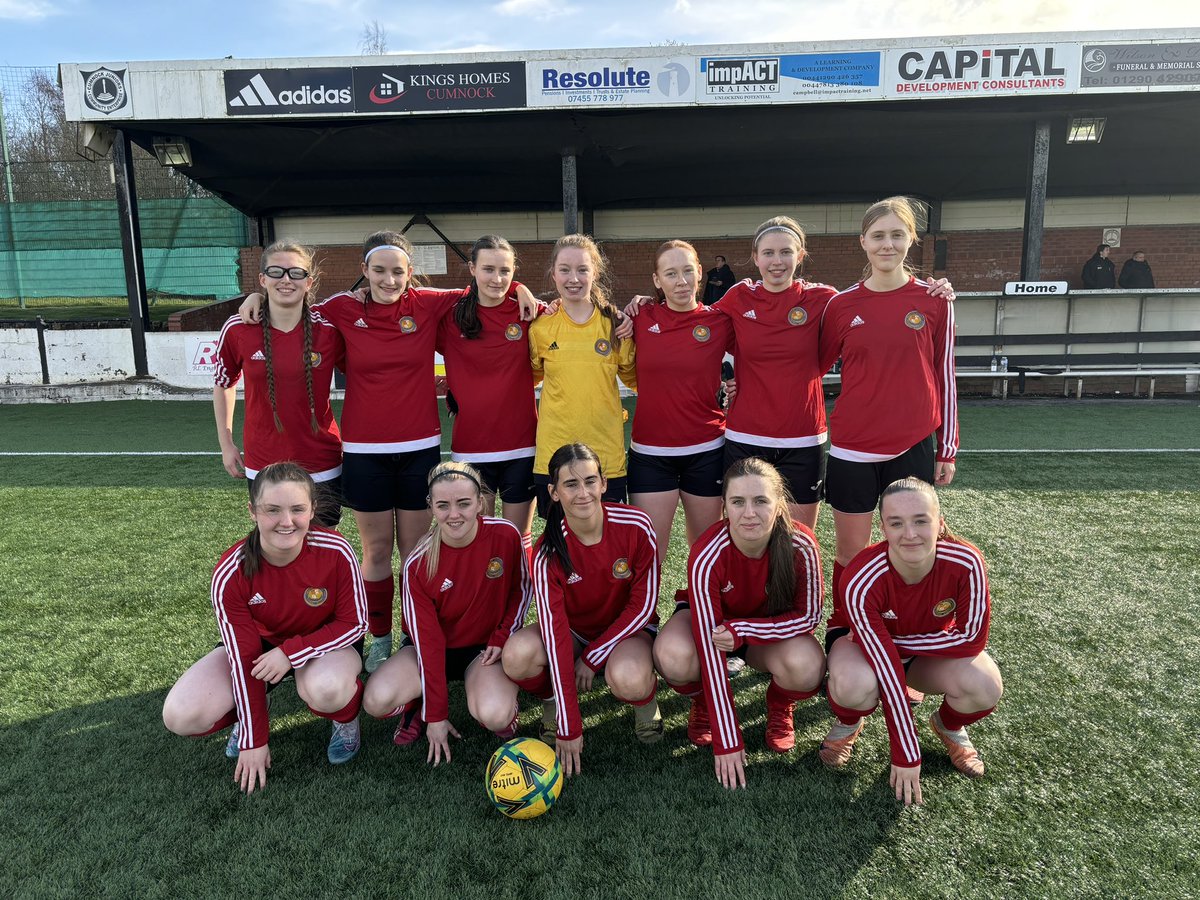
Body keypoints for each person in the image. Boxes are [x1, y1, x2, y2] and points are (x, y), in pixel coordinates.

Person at [241, 232, 537, 674]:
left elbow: (486, 282)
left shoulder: (429, 303)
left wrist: (523, 288)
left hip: (419, 448)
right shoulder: (341, 308)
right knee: (377, 550)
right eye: (379, 270)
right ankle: (378, 637)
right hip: (363, 451)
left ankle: (413, 633)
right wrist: (255, 297)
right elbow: (292, 302)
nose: (389, 279)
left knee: (418, 550)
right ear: (364, 271)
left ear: (410, 273)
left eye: (398, 270)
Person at [162, 462, 369, 794]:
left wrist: (291, 653)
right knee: (180, 715)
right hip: (259, 651)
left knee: (327, 689)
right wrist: (254, 739)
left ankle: (345, 720)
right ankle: (253, 711)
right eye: (273, 510)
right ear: (252, 511)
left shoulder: (336, 550)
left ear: (313, 509)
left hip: (325, 646)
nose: (286, 522)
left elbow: (355, 623)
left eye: (297, 509)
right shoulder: (232, 572)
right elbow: (244, 657)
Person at [820, 477, 1003, 806]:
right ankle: (848, 723)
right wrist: (905, 753)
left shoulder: (967, 562)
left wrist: (897, 647)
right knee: (852, 684)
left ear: (940, 523)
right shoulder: (862, 575)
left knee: (985, 684)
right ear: (884, 529)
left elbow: (972, 640)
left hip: (912, 650)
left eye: (921, 521)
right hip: (863, 649)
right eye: (897, 523)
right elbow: (886, 670)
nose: (910, 534)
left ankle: (948, 726)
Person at [653, 458, 824, 789]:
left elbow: (809, 617)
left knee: (806, 665)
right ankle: (703, 700)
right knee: (672, 654)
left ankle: (779, 703)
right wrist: (727, 737)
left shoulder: (800, 544)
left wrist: (744, 631)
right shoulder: (707, 551)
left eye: (761, 500)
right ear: (724, 507)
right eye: (738, 502)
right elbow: (708, 639)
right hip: (712, 624)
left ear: (778, 505)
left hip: (763, 630)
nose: (749, 513)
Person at [818, 197, 959, 598]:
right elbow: (809, 365)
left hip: (911, 444)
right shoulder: (841, 305)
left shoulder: (934, 300)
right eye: (878, 235)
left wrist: (946, 449)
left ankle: (910, 628)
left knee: (913, 548)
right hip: (853, 448)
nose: (887, 244)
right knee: (851, 551)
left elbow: (944, 375)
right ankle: (845, 626)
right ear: (863, 241)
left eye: (897, 235)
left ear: (911, 240)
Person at [501, 443, 661, 776]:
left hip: (627, 631)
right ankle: (550, 702)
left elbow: (643, 605)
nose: (583, 492)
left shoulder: (636, 525)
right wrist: (569, 723)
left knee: (629, 679)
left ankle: (645, 702)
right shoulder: (547, 552)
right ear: (554, 492)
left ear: (604, 483)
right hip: (573, 633)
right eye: (570, 484)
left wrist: (594, 656)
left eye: (590, 481)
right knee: (517, 655)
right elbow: (555, 631)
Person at [362, 462, 531, 764]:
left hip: (483, 651)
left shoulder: (505, 536)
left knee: (495, 715)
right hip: (428, 650)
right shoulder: (418, 563)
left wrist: (502, 634)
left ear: (480, 502)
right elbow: (427, 642)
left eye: (464, 503)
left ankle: (487, 693)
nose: (454, 515)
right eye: (443, 505)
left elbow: (521, 590)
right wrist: (436, 715)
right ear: (431, 507)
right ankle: (418, 703)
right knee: (376, 700)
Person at [709, 216, 838, 529]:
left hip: (804, 436)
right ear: (755, 257)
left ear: (800, 255)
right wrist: (649, 302)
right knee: (745, 533)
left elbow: (868, 308)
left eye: (786, 252)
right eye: (768, 253)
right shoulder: (739, 297)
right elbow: (696, 324)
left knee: (799, 539)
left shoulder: (823, 299)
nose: (776, 261)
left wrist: (931, 290)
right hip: (745, 436)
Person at [213, 241, 345, 525]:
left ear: (309, 282)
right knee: (276, 544)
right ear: (262, 279)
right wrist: (226, 444)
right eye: (276, 271)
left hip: (322, 460)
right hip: (263, 459)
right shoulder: (238, 328)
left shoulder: (330, 329)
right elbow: (224, 383)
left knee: (323, 546)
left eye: (296, 273)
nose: (286, 279)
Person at [627, 240, 732, 563]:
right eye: (671, 273)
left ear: (700, 273)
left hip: (706, 449)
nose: (681, 281)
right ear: (657, 280)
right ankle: (647, 614)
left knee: (705, 550)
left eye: (688, 271)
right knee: (650, 550)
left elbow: (761, 353)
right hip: (650, 453)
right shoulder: (640, 317)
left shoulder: (720, 321)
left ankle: (696, 607)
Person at [437, 235, 540, 560]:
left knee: (517, 538)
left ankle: (518, 610)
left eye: (505, 271)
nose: (497, 278)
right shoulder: (451, 317)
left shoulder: (527, 312)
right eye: (488, 269)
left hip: (522, 445)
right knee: (479, 537)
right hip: (471, 448)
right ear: (472, 268)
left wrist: (519, 289)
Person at [528, 234, 636, 515]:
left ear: (595, 273)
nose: (573, 278)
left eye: (582, 269)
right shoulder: (540, 327)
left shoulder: (616, 325)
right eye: (565, 269)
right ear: (554, 274)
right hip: (553, 456)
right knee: (559, 546)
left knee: (607, 548)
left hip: (605, 459)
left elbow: (638, 380)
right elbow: (530, 377)